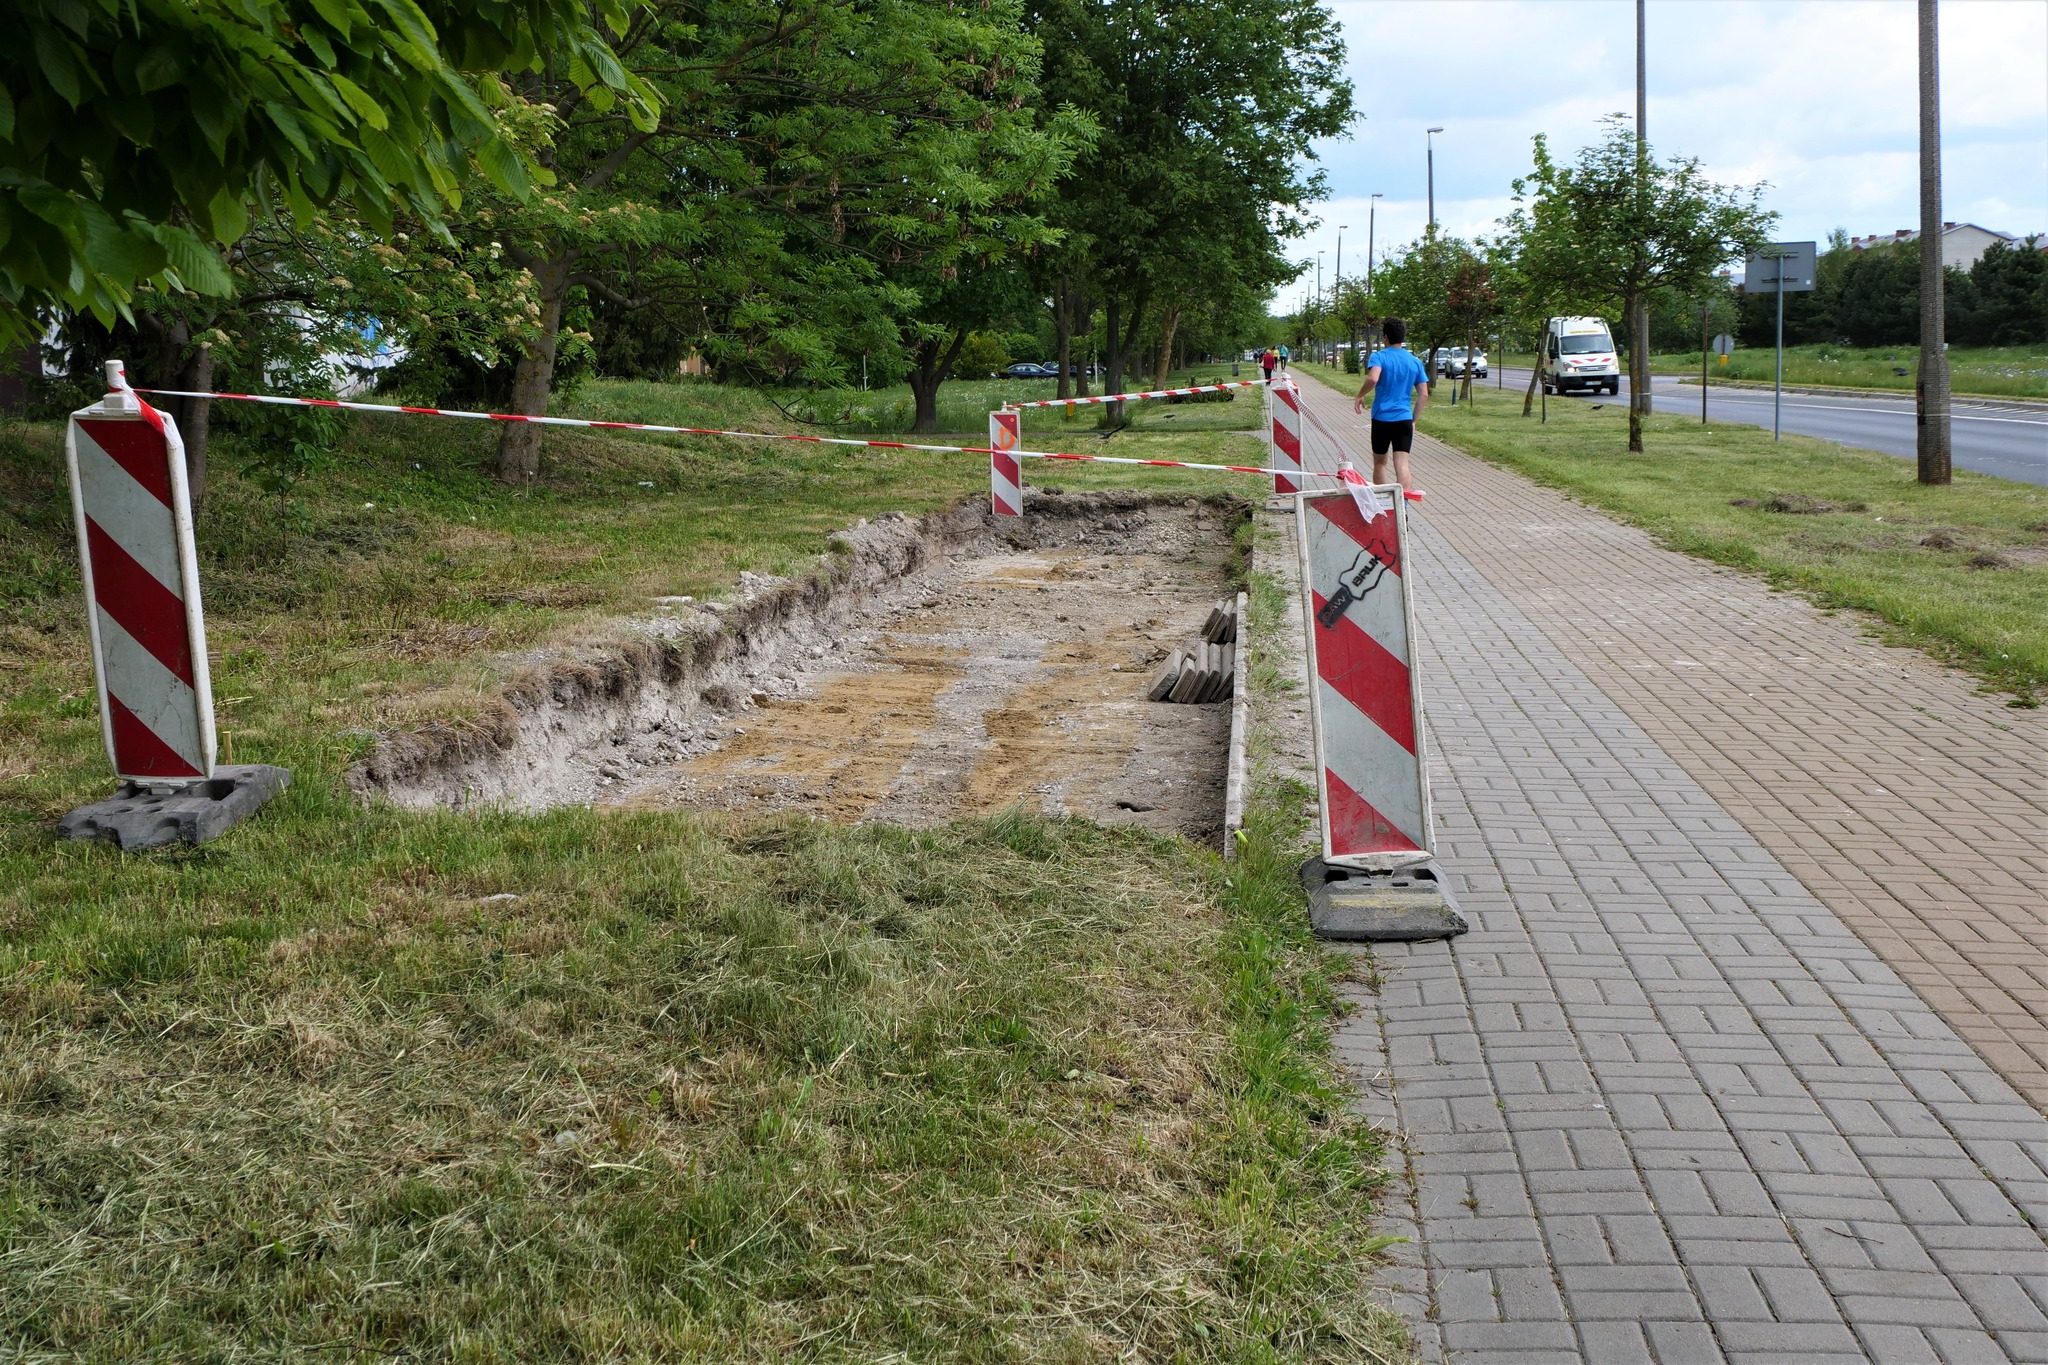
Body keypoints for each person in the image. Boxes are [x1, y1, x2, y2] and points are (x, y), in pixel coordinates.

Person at [1352, 317, 1429, 497]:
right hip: (1404, 418)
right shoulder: (1414, 361)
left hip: (1381, 418)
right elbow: (1424, 394)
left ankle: (1385, 506)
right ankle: (1403, 506)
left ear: (1385, 337)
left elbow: (1373, 378)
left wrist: (1360, 395)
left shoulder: (1379, 357)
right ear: (1402, 337)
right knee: (1402, 464)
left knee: (1380, 464)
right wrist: (1414, 419)